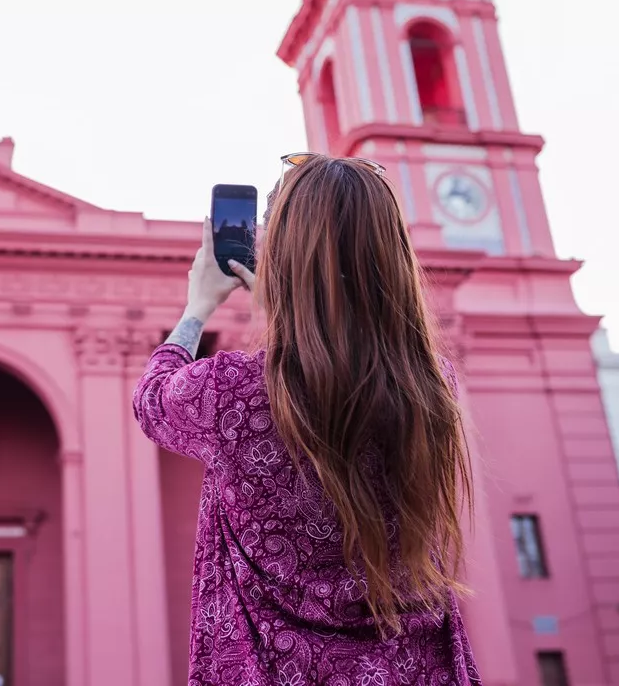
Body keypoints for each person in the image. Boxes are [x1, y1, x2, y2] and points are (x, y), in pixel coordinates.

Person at [133, 154, 480, 685]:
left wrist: (196, 309)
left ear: (280, 261)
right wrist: (297, 304)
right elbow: (339, 365)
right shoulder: (432, 388)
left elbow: (153, 401)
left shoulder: (234, 395)